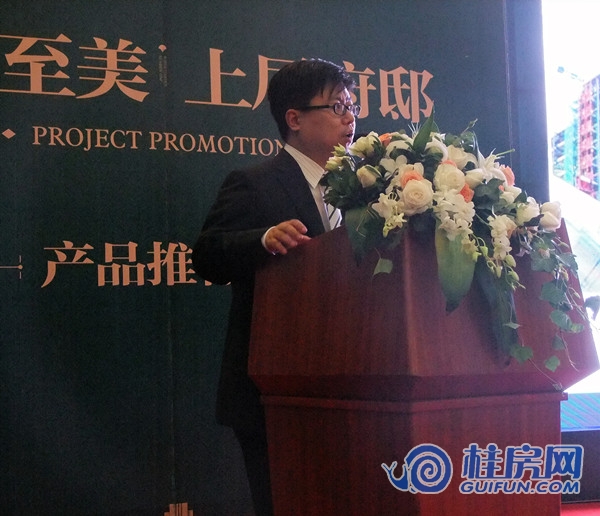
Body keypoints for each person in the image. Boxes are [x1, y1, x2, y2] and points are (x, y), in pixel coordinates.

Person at [192, 58, 358, 516]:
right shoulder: (254, 184)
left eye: (352, 106)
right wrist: (262, 239)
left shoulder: (366, 188)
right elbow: (206, 256)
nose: (350, 118)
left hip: (351, 380)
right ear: (294, 119)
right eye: (337, 106)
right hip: (274, 390)